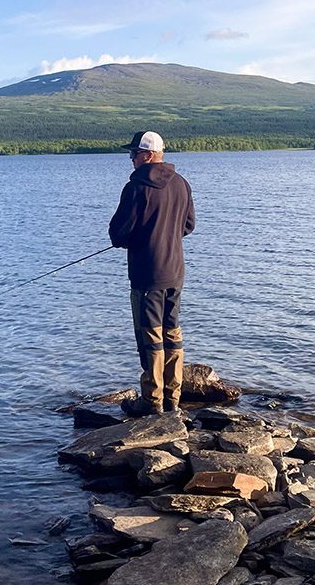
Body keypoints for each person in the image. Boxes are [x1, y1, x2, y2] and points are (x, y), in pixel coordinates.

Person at [108, 131, 195, 416]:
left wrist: (139, 238)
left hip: (147, 274)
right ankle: (173, 398)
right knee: (172, 332)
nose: (131, 158)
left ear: (148, 155)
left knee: (150, 336)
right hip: (175, 272)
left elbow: (118, 234)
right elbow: (189, 225)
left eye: (134, 153)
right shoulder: (182, 184)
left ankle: (152, 401)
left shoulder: (136, 187)